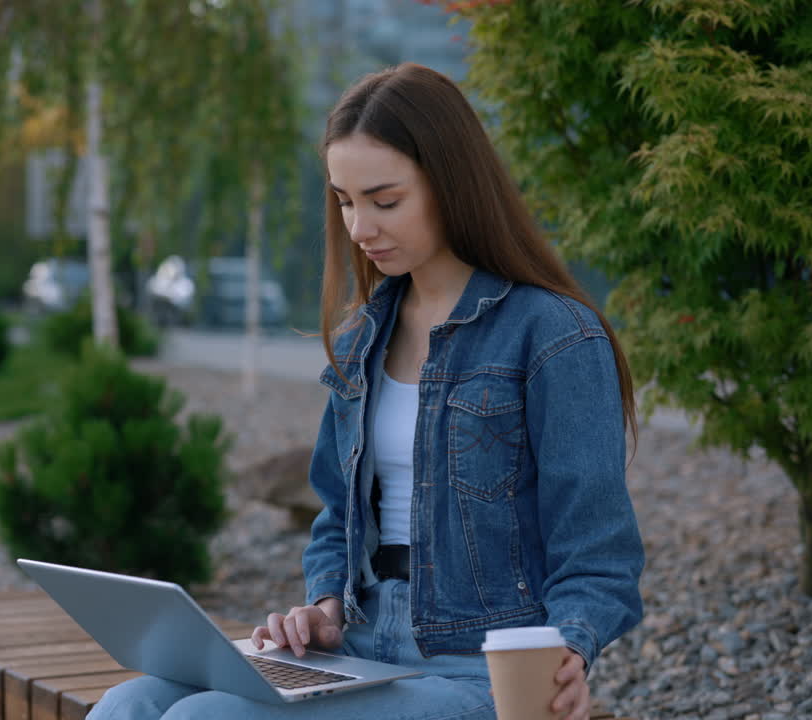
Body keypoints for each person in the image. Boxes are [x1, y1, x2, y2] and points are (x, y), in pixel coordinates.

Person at [88, 62, 644, 720]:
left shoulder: (552, 336)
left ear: (451, 185)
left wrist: (568, 657)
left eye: (384, 200)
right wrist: (323, 608)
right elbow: (335, 521)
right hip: (357, 649)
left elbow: (598, 554)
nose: (358, 228)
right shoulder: (363, 336)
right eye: (345, 201)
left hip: (476, 671)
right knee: (131, 703)